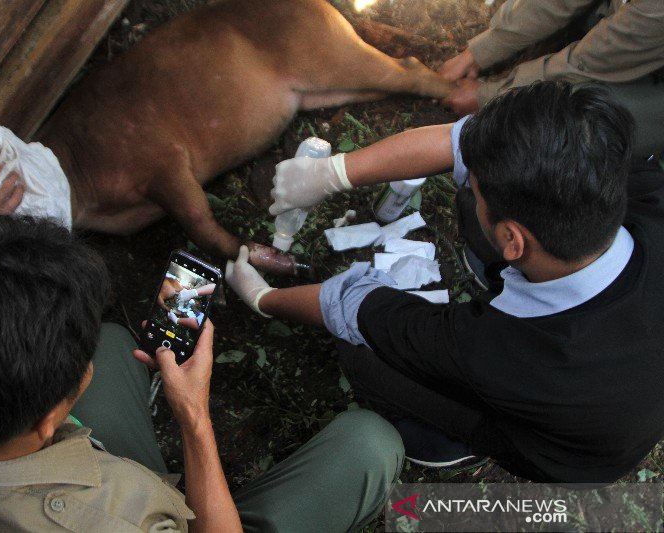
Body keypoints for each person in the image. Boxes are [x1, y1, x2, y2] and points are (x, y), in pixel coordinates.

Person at [227, 81, 664, 483]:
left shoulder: (503, 352)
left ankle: (447, 442)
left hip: (566, 451)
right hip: (623, 375)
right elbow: (460, 143)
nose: (467, 181)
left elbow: (355, 306)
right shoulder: (624, 177)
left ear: (513, 240)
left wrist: (264, 298)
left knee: (363, 356)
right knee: (480, 191)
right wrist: (332, 174)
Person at [0, 214, 403, 532]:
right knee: (370, 444)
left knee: (109, 343)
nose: (82, 363)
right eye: (72, 372)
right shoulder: (117, 519)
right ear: (46, 424)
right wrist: (193, 417)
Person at [438, 0, 664, 160]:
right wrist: (479, 53)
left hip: (650, 80)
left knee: (583, 119)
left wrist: (489, 96)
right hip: (629, 29)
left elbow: (588, 63)